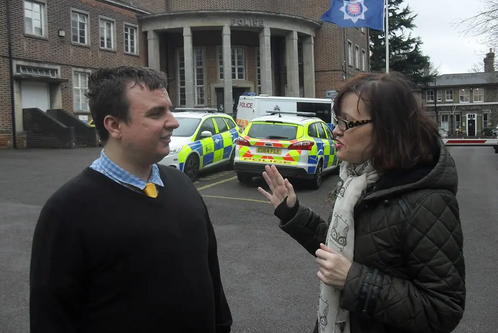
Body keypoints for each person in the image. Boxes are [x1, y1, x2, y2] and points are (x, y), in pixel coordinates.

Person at [30, 66, 232, 333]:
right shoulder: (67, 211)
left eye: (169, 110)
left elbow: (210, 275)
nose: (173, 121)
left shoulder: (182, 184)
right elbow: (52, 318)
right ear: (114, 126)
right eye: (156, 113)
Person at [258, 72, 465, 333]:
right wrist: (293, 213)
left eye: (347, 123)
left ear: (386, 128)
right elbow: (342, 248)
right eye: (337, 121)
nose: (336, 130)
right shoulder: (359, 181)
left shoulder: (428, 201)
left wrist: (354, 280)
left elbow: (443, 309)